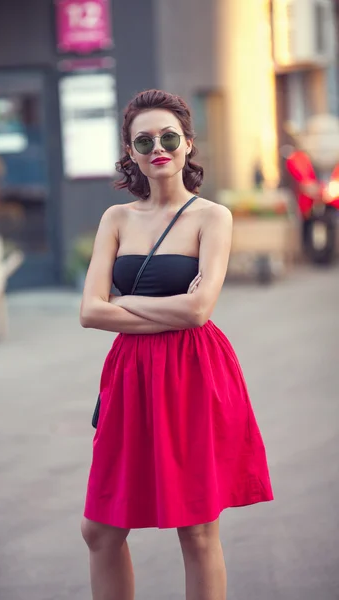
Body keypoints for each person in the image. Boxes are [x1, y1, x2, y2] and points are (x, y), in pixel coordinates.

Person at [80, 89, 274, 600]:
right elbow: (89, 311)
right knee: (100, 529)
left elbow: (199, 310)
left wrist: (124, 304)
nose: (157, 148)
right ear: (131, 151)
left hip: (194, 371)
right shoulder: (116, 219)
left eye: (169, 137)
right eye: (144, 141)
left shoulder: (213, 217)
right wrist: (160, 310)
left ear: (188, 144)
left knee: (197, 529)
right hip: (129, 374)